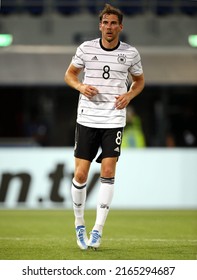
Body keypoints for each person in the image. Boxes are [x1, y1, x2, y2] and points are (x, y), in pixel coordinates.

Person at [64, 3, 145, 250]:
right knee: (80, 175)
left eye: (113, 23)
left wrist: (129, 96)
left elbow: (139, 81)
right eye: (105, 23)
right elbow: (69, 75)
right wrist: (80, 87)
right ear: (100, 25)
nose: (109, 27)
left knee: (108, 171)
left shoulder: (130, 53)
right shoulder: (86, 49)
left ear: (120, 26)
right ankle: (79, 224)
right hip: (87, 118)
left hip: (113, 120)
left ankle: (97, 230)